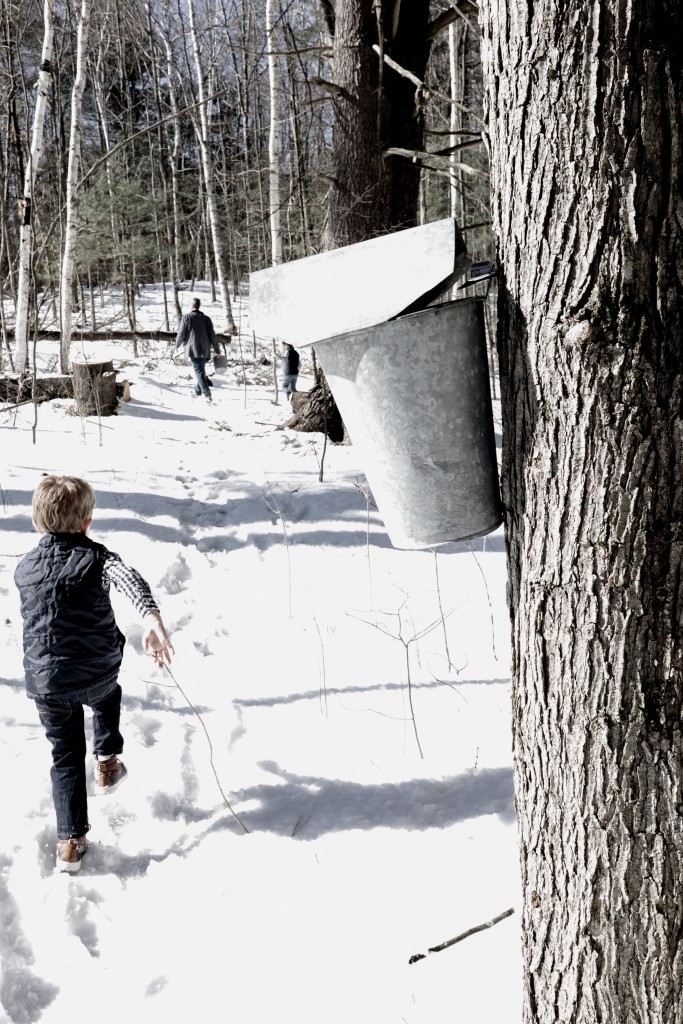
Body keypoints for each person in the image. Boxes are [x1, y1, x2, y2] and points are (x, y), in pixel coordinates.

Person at [14, 475, 174, 873]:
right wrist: (151, 618)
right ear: (87, 522)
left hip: (46, 683)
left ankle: (69, 843)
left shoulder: (23, 568)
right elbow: (128, 580)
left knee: (65, 757)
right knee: (107, 697)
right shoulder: (100, 559)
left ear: (38, 523)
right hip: (96, 670)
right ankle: (106, 760)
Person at [175, 297, 222, 402]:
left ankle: (207, 394)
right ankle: (197, 392)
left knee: (199, 371)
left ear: (192, 306)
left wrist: (177, 344)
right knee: (201, 370)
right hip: (205, 350)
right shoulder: (206, 319)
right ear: (199, 306)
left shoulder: (187, 317)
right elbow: (213, 336)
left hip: (193, 349)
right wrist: (217, 350)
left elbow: (181, 333)